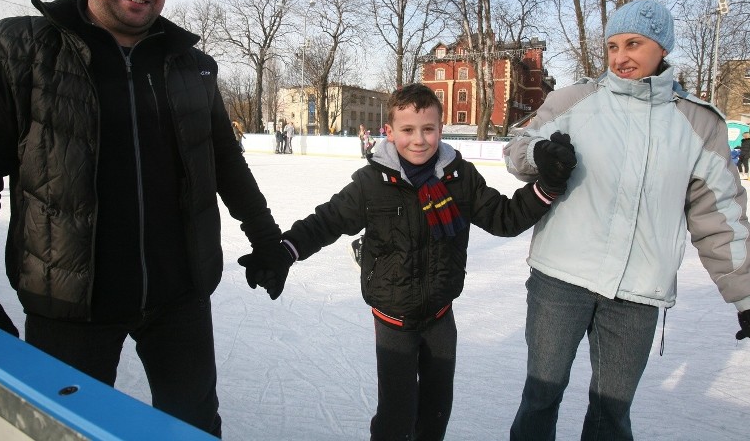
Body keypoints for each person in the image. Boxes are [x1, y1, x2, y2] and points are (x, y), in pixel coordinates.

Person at [0, 0, 286, 438]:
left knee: (194, 426)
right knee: (61, 430)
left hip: (179, 298)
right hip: (70, 301)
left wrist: (266, 238)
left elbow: (224, 159)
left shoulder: (192, 67)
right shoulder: (20, 49)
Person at [503, 0, 750, 440]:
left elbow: (722, 215)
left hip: (638, 293)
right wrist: (540, 156)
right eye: (612, 45)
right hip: (560, 278)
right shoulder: (575, 100)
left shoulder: (697, 123)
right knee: (541, 398)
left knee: (612, 414)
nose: (619, 57)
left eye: (633, 44)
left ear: (662, 47)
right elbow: (517, 149)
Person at [239, 83, 577, 440]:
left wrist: (548, 186)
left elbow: (504, 218)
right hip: (393, 319)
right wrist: (283, 252)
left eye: (428, 129)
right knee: (396, 418)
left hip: (440, 317)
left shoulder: (459, 178)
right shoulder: (372, 183)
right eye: (408, 130)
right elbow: (327, 221)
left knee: (435, 414)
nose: (419, 140)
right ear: (389, 132)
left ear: (440, 129)